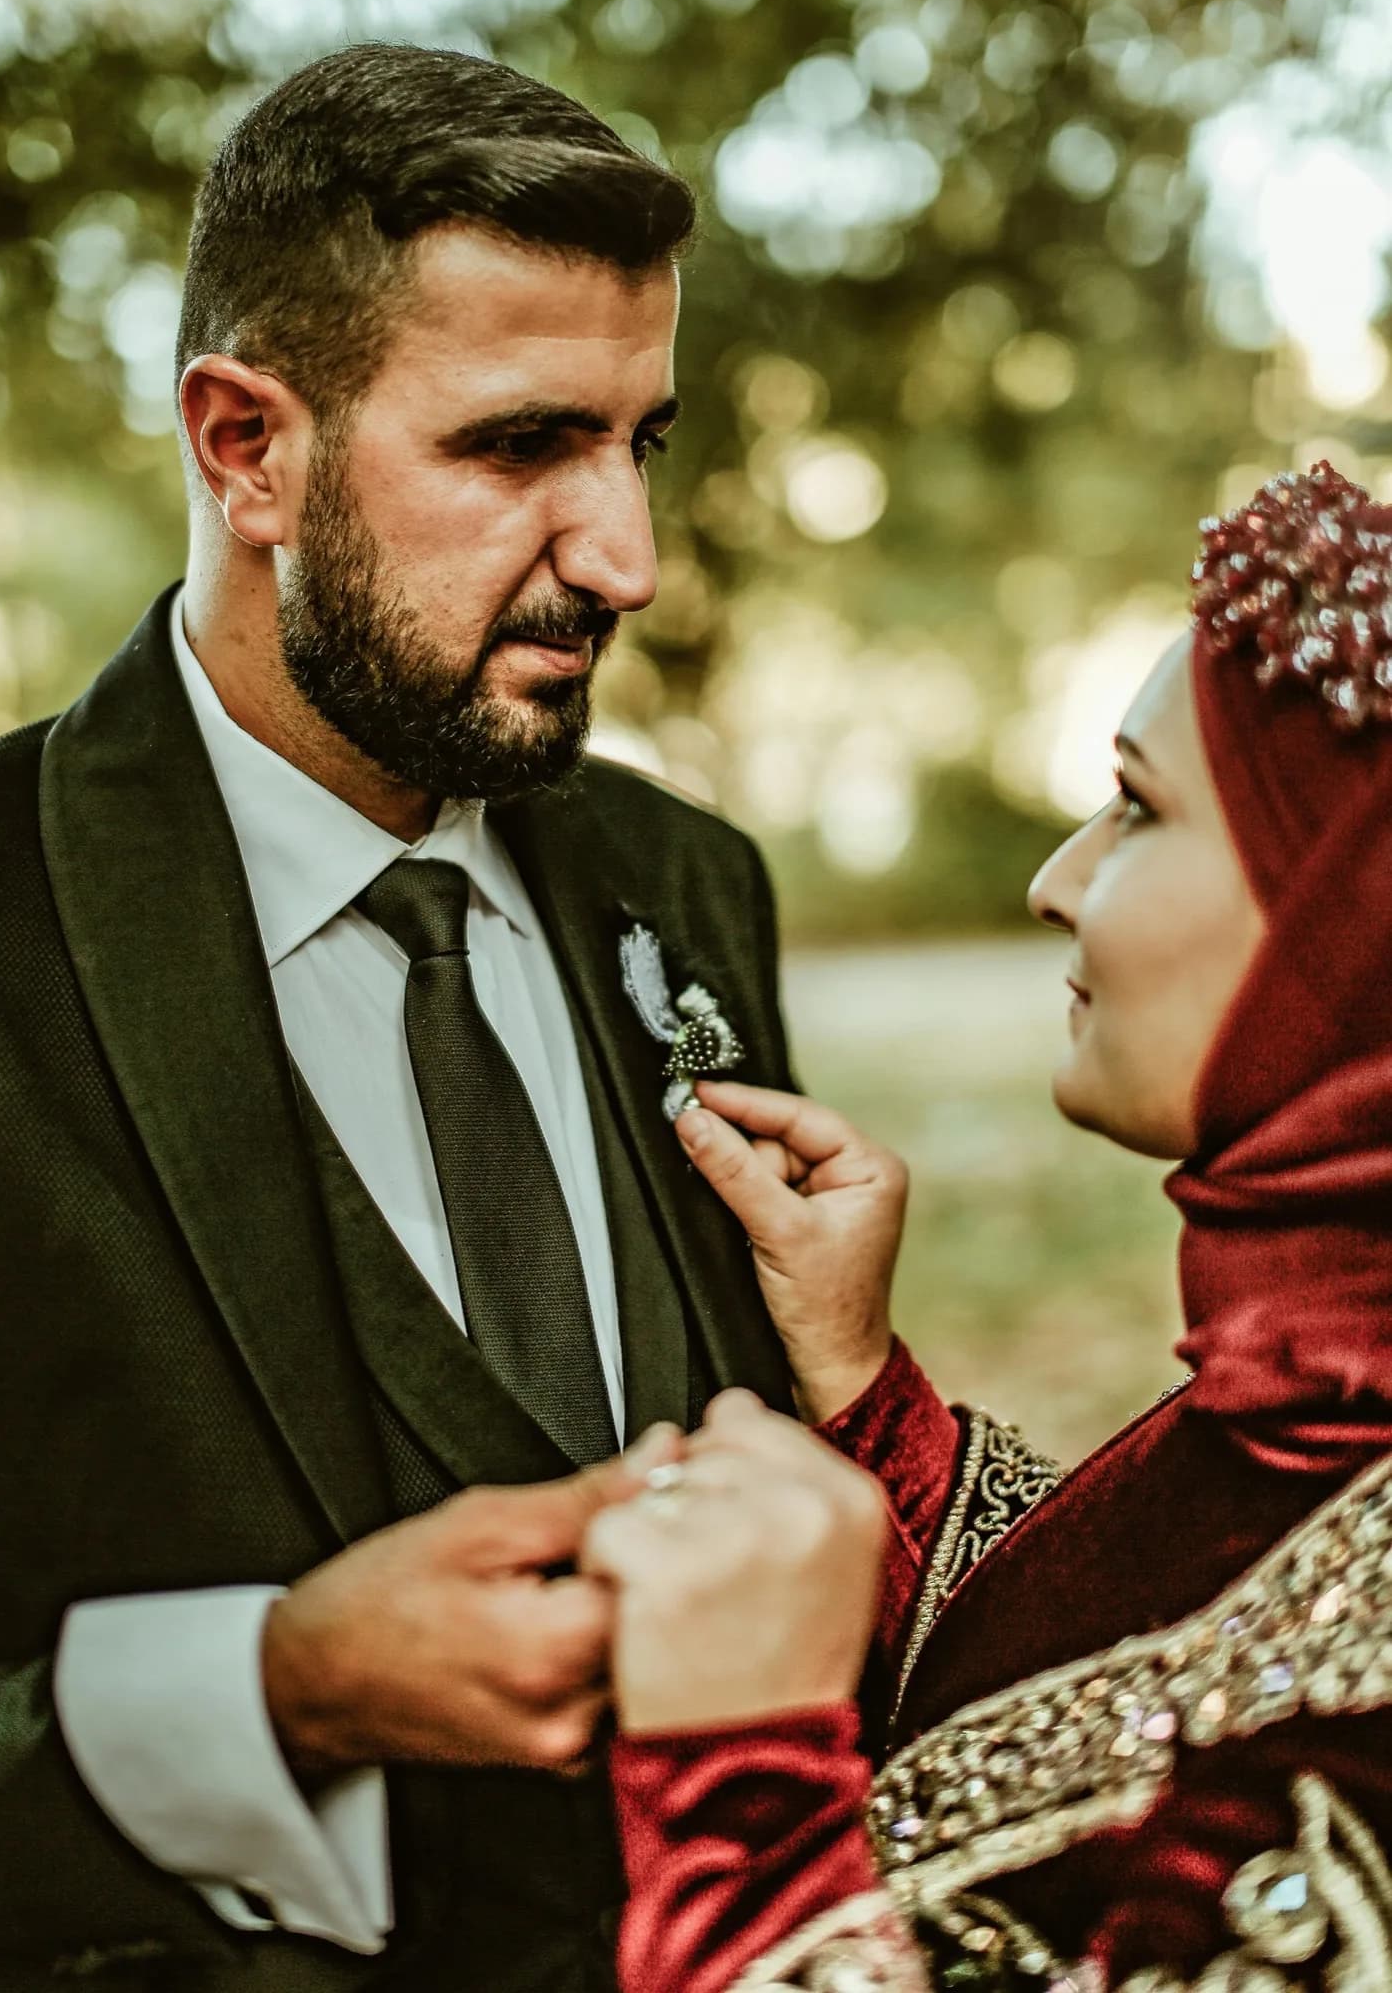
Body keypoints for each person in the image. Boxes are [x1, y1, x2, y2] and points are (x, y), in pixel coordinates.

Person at [0, 42, 798, 1991]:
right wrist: (270, 1692)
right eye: (516, 447)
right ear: (247, 446)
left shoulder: (689, 885)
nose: (626, 559)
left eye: (639, 442)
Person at [586, 461, 1392, 1991]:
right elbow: (1155, 1646)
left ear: (1350, 923)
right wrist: (871, 1406)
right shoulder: (1320, 1382)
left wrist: (736, 1779)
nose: (1053, 883)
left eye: (1136, 808)